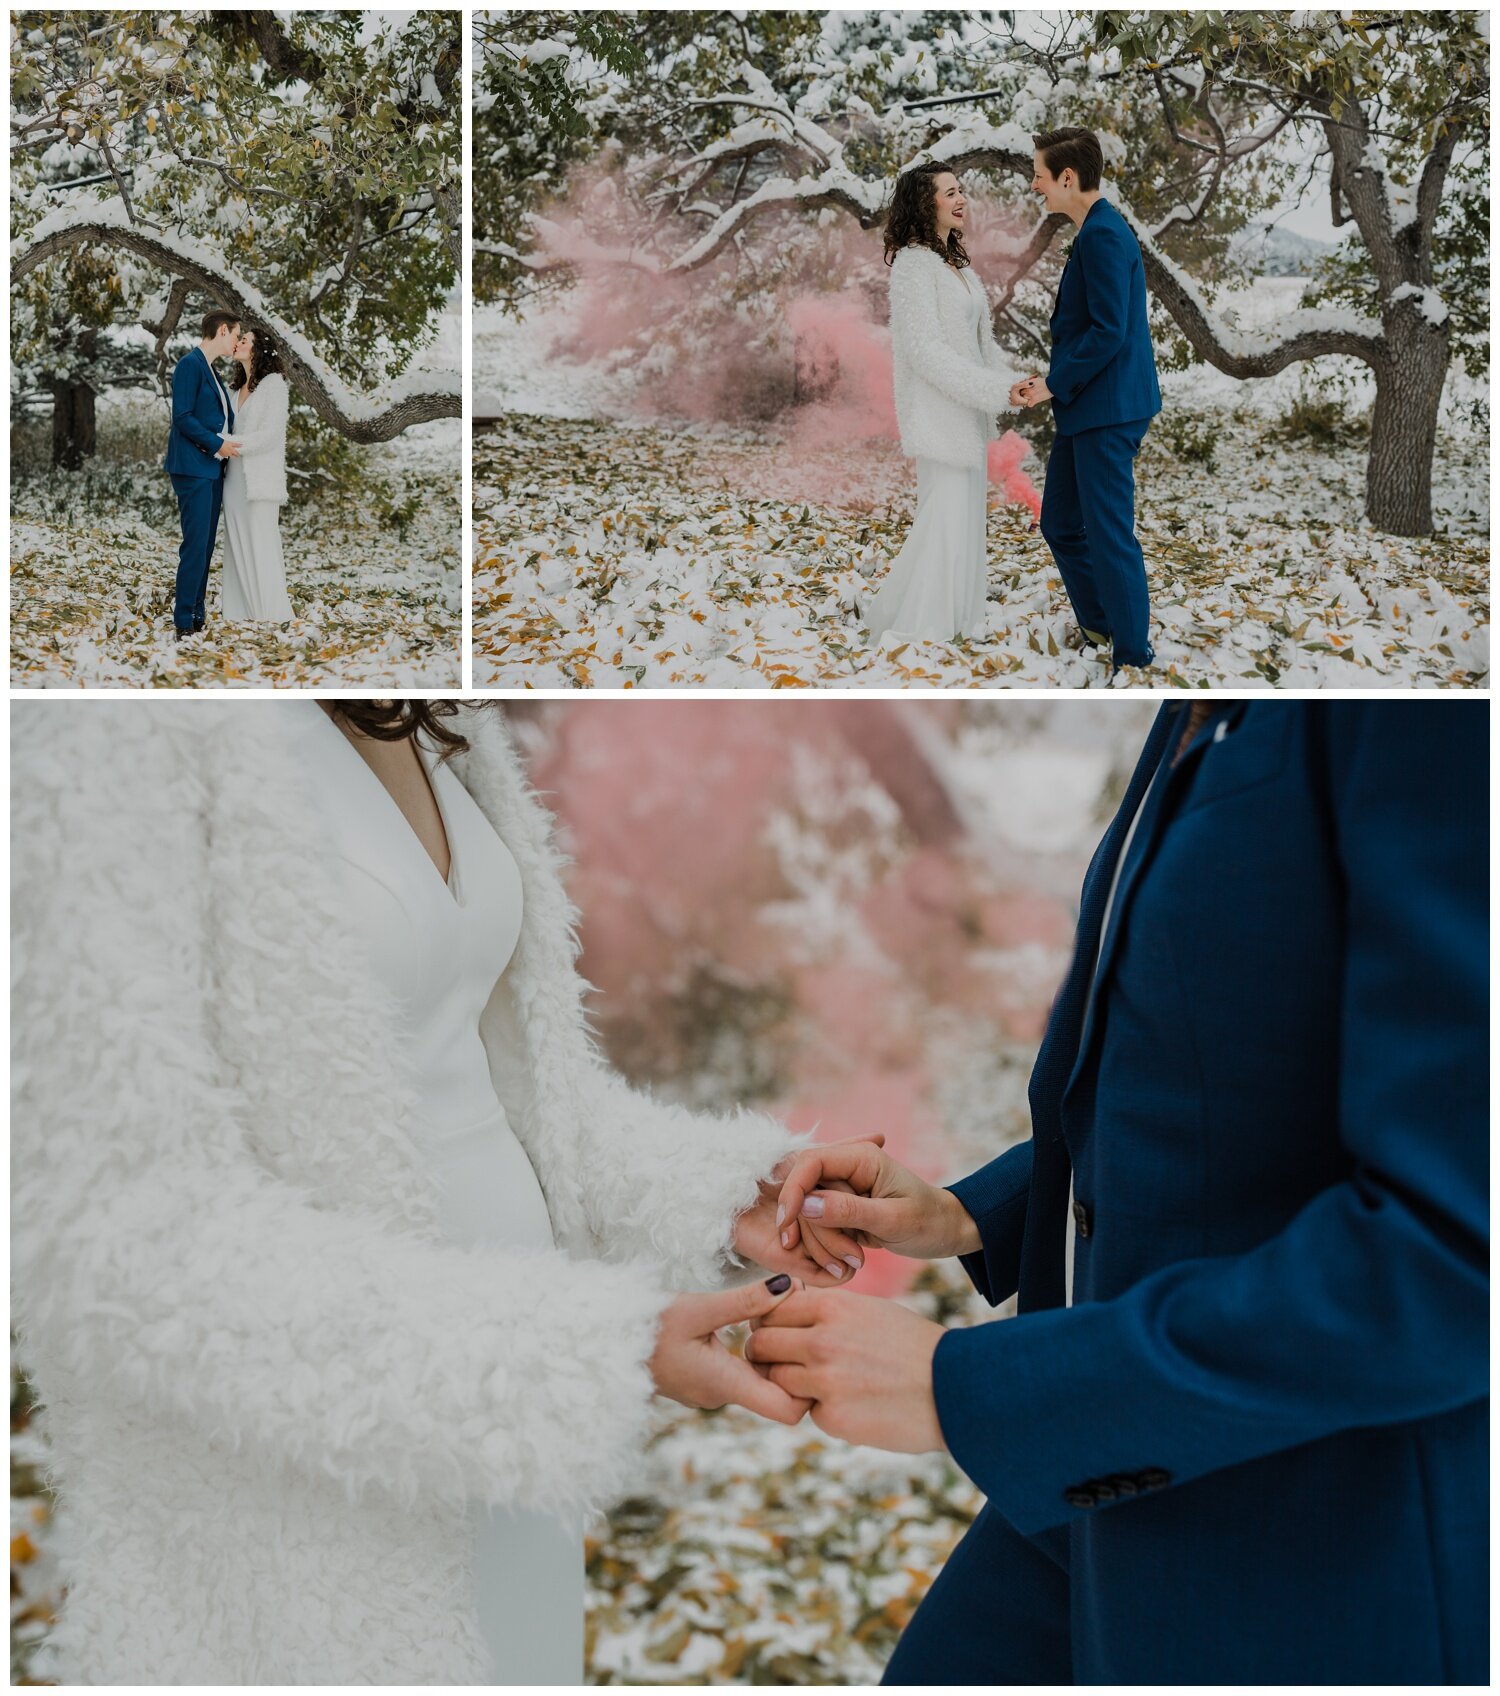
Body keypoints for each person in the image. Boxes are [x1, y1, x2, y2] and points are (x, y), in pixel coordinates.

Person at [10, 698, 879, 1685]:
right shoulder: (114, 730)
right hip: (302, 1495)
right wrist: (576, 1353)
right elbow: (121, 1235)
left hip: (508, 1456)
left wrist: (731, 1192)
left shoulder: (431, 705)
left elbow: (512, 1094)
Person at [757, 700, 1488, 1683]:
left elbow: (1454, 1259)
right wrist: (976, 1214)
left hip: (1310, 1539)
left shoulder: (1430, 723)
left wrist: (971, 1391)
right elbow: (1233, 1078)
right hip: (1098, 1490)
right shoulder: (1212, 702)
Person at [1011, 127, 1162, 674]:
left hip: (1109, 408)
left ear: (1067, 177)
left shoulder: (1102, 235)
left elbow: (1108, 332)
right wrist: (1054, 381)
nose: (1035, 185)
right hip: (1088, 404)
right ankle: (1102, 625)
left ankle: (1132, 654)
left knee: (1107, 531)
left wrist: (1052, 383)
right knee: (1060, 522)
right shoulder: (1095, 229)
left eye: (1040, 175)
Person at [863, 162, 1019, 647]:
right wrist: (991, 390)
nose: (960, 199)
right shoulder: (913, 265)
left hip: (969, 414)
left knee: (966, 522)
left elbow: (980, 344)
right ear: (923, 202)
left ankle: (956, 621)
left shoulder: (958, 264)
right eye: (949, 192)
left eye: (961, 189)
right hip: (938, 412)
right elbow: (925, 351)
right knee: (943, 522)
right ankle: (918, 629)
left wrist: (1011, 384)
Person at [163, 308, 241, 642]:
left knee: (206, 546)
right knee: (195, 546)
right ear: (223, 330)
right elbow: (182, 416)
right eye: (236, 334)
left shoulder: (211, 371)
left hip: (211, 469)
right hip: (192, 469)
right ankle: (183, 619)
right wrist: (215, 445)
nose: (237, 342)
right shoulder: (189, 365)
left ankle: (196, 612)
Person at [220, 323, 293, 622]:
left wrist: (225, 443)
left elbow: (271, 435)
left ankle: (270, 613)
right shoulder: (233, 389)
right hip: (232, 479)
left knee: (261, 542)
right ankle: (238, 613)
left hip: (259, 480)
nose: (238, 343)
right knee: (236, 543)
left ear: (259, 349)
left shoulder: (274, 384)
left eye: (245, 340)